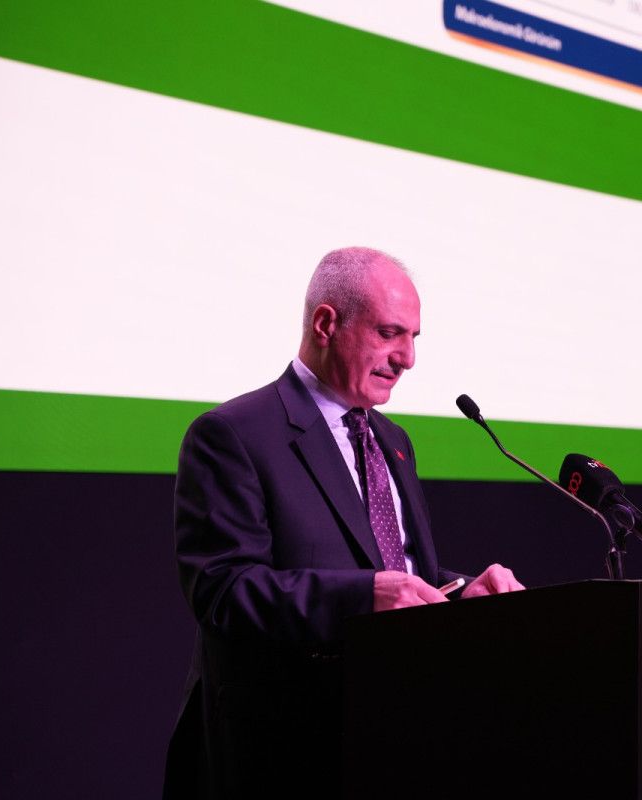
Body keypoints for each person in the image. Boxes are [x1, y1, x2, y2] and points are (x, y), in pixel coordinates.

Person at [164, 247, 524, 798]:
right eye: (389, 333)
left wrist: (459, 592)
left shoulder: (393, 440)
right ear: (326, 324)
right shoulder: (233, 434)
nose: (407, 358)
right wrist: (363, 598)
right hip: (285, 751)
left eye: (413, 338)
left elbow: (400, 571)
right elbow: (224, 590)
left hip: (393, 734)